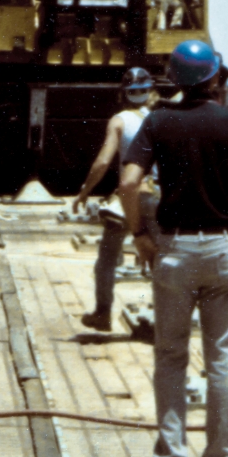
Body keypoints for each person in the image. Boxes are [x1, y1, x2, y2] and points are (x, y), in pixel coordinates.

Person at [119, 38, 228, 457]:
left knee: (170, 357)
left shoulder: (158, 122)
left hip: (176, 252)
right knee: (222, 360)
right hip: (224, 252)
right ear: (216, 77)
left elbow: (128, 183)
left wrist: (140, 234)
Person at [71, 67, 161, 332]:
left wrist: (85, 191)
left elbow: (102, 162)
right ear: (151, 91)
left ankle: (102, 313)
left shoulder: (119, 121)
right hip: (157, 196)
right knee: (159, 260)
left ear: (123, 92)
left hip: (128, 198)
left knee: (107, 259)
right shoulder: (160, 119)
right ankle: (166, 322)